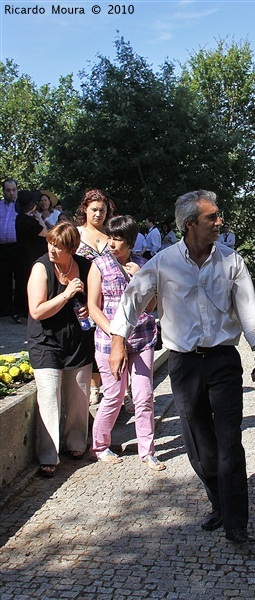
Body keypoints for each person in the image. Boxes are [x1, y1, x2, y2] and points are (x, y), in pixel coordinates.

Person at [109, 190, 255, 544]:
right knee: (199, 444)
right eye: (211, 218)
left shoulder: (232, 262)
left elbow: (248, 311)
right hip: (184, 365)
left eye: (218, 216)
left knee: (230, 441)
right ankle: (218, 502)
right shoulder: (164, 262)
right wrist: (118, 343)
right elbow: (132, 299)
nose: (219, 222)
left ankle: (236, 522)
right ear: (189, 225)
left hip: (223, 361)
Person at [87, 216, 163, 470]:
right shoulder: (99, 265)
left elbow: (151, 307)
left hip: (142, 339)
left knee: (144, 396)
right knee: (114, 395)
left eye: (117, 239)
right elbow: (93, 307)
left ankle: (147, 451)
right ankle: (99, 446)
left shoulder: (144, 265)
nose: (111, 243)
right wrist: (114, 333)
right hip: (109, 342)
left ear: (130, 241)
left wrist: (141, 278)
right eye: (109, 237)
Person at [27, 222, 94, 478]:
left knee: (79, 397)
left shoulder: (85, 267)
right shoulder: (41, 267)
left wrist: (89, 307)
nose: (52, 249)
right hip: (46, 342)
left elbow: (96, 297)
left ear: (72, 248)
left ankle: (76, 444)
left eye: (59, 246)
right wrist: (66, 295)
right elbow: (37, 311)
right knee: (49, 398)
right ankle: (49, 455)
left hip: (77, 341)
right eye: (50, 243)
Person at [76, 189, 116, 405]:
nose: (98, 214)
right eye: (94, 209)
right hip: (83, 295)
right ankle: (93, 387)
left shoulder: (112, 235)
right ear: (85, 209)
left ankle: (119, 387)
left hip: (110, 297)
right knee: (89, 343)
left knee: (110, 342)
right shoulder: (77, 233)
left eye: (102, 210)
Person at [15, 190, 48, 318]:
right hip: (31, 256)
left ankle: (22, 309)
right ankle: (26, 310)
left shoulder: (20, 218)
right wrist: (39, 217)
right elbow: (44, 232)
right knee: (31, 281)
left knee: (23, 281)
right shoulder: (28, 220)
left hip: (24, 255)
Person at [0, 178, 20, 321]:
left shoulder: (21, 206)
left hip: (17, 247)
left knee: (18, 277)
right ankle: (4, 308)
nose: (11, 193)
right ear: (3, 191)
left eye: (13, 190)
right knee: (3, 277)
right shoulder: (0, 205)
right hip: (1, 247)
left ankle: (16, 308)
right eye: (8, 190)